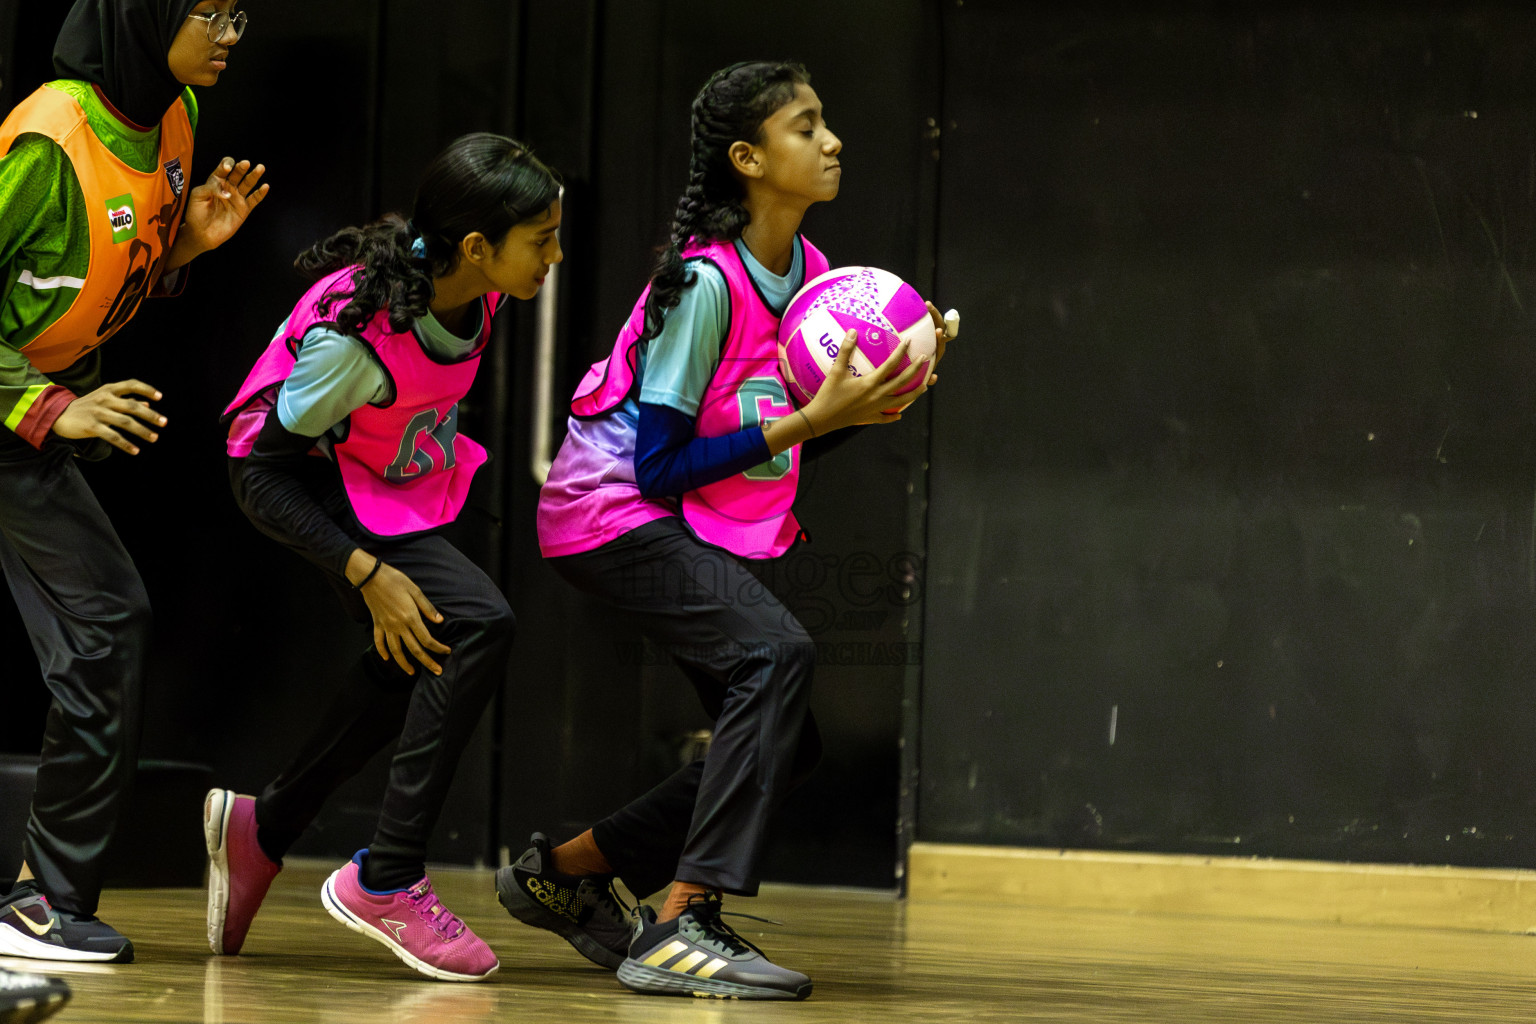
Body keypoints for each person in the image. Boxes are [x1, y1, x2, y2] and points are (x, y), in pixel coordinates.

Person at [498, 60, 952, 1000]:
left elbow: (763, 452)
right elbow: (659, 465)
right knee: (777, 656)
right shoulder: (706, 284)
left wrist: (864, 408)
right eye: (806, 126)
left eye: (827, 123)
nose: (832, 142)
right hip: (609, 513)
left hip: (673, 516)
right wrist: (810, 422)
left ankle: (568, 873)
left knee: (793, 738)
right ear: (748, 158)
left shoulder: (821, 282)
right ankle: (681, 920)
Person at [205, 132, 562, 983]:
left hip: (373, 483)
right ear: (477, 246)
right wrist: (366, 573)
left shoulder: (477, 286)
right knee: (477, 621)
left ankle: (268, 828)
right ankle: (388, 876)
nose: (555, 254)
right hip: (302, 479)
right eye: (541, 239)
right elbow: (258, 472)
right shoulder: (356, 342)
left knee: (422, 652)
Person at [0, 0, 267, 965]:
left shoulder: (174, 121)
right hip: (14, 412)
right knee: (106, 621)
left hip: (29, 410)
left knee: (101, 625)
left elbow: (83, 276)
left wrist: (186, 246)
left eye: (241, 12)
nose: (231, 31)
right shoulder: (49, 139)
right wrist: (48, 406)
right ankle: (38, 905)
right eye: (208, 11)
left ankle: (39, 899)